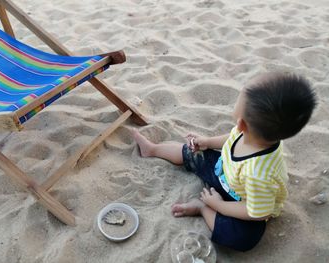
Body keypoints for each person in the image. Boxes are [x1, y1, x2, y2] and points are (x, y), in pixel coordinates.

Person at [132, 72, 317, 251]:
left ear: (242, 123)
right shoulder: (252, 132)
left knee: (243, 238)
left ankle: (203, 209)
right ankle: (153, 150)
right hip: (225, 173)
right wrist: (208, 142)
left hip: (242, 201)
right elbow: (231, 138)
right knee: (191, 152)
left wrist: (218, 205)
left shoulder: (259, 175)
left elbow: (258, 213)